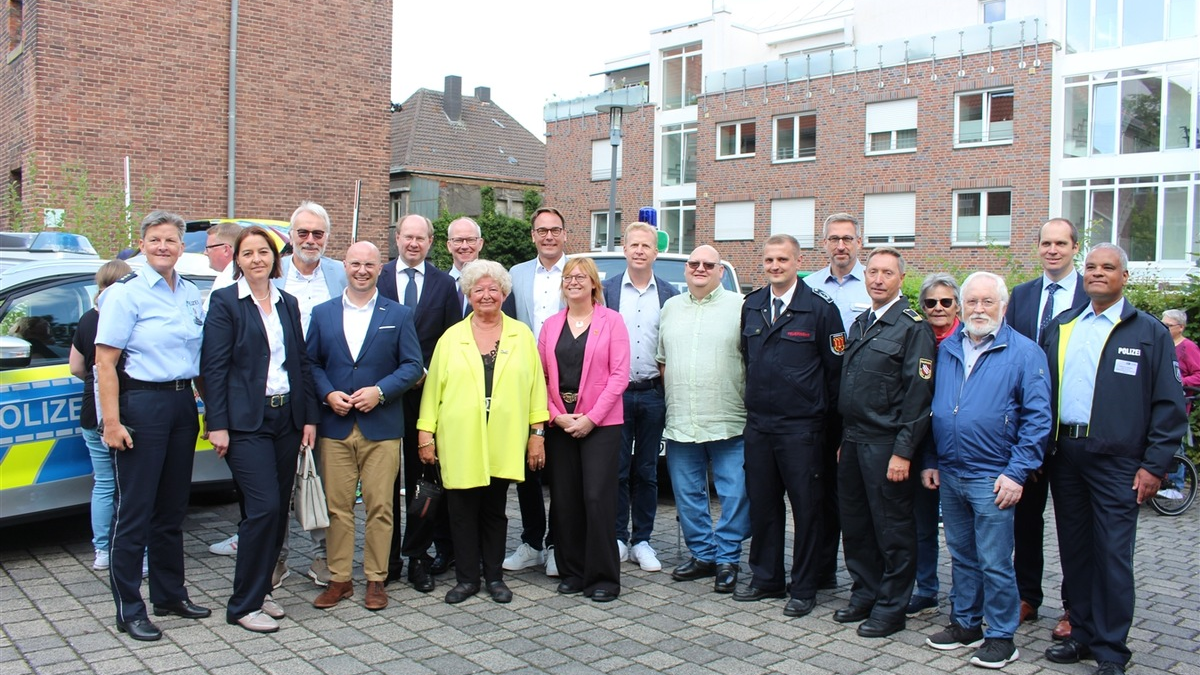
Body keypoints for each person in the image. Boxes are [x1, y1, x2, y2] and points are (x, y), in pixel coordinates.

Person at [1042, 244, 1186, 675]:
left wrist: (1155, 464)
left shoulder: (1148, 332)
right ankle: (1082, 633)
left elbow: (1169, 405)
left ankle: (1111, 650)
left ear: (1124, 276)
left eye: (1108, 268)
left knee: (1112, 554)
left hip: (1119, 461)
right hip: (1065, 455)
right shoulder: (1063, 325)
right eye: (1091, 267)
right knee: (1076, 551)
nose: (1097, 273)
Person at [922, 272, 1051, 669]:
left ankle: (1000, 636)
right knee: (961, 555)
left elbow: (1038, 420)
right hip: (950, 469)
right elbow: (931, 409)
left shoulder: (1025, 353)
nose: (979, 309)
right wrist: (930, 459)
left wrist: (1016, 472)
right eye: (972, 301)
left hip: (993, 474)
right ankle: (966, 622)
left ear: (1003, 307)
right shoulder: (947, 350)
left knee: (995, 560)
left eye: (987, 302)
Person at [95, 210, 211, 642]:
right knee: (135, 511)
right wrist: (112, 421)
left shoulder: (187, 292)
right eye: (155, 240)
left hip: (182, 403)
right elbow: (104, 362)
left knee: (171, 508)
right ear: (142, 244)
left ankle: (169, 594)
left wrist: (208, 411)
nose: (164, 247)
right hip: (141, 403)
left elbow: (196, 356)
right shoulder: (126, 293)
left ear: (183, 248)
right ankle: (129, 607)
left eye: (171, 241)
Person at [200, 226, 320, 633]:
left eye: (263, 252)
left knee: (277, 511)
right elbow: (212, 369)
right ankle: (242, 605)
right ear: (237, 260)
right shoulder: (224, 303)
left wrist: (308, 418)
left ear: (274, 258)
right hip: (243, 423)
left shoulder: (286, 302)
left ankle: (262, 591)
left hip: (285, 418)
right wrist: (215, 424)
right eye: (247, 253)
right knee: (263, 507)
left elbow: (300, 364)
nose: (256, 259)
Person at [417, 260, 550, 605]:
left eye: (494, 289)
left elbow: (537, 387)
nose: (487, 295)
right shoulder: (452, 337)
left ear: (504, 294)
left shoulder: (521, 335)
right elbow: (433, 392)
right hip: (459, 438)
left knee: (495, 510)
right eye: (479, 289)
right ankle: (466, 579)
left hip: (504, 437)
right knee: (460, 511)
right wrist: (425, 434)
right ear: (468, 294)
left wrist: (537, 432)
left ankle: (494, 577)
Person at [306, 242, 423, 612]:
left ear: (379, 268)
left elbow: (411, 366)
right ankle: (339, 579)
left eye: (369, 264)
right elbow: (310, 364)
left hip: (381, 425)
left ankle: (376, 579)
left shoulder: (398, 314)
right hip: (336, 424)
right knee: (337, 508)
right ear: (345, 265)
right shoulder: (322, 313)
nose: (361, 270)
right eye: (355, 263)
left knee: (380, 506)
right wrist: (327, 395)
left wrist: (380, 391)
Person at [737, 234, 844, 618]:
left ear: (798, 261)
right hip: (760, 426)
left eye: (783, 259)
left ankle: (805, 585)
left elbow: (835, 375)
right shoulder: (751, 306)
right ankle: (766, 578)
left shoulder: (819, 308)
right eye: (769, 260)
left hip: (803, 428)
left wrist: (832, 432)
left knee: (807, 509)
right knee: (763, 505)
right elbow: (747, 359)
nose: (775, 266)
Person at [835, 246, 935, 639]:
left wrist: (903, 452)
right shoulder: (861, 322)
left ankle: (892, 609)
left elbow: (918, 398)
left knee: (892, 530)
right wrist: (845, 439)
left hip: (886, 445)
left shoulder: (913, 327)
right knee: (856, 526)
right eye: (873, 272)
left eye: (886, 273)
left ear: (900, 279)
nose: (877, 279)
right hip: (854, 441)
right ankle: (865, 594)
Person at [1004, 217, 1087, 637]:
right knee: (1025, 519)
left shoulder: (1092, 296)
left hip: (1071, 430)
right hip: (1026, 430)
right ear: (1037, 247)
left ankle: (1074, 608)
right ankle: (1026, 596)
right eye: (1046, 243)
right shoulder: (1021, 296)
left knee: (1073, 523)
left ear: (1075, 247)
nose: (1053, 250)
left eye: (1061, 243)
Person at [377, 214, 460, 593]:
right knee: (384, 480)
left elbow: (449, 341)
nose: (413, 243)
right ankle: (387, 557)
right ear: (397, 238)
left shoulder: (445, 285)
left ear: (430, 242)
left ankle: (417, 556)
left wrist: (429, 375)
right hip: (381, 396)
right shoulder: (376, 278)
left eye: (421, 238)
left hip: (426, 397)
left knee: (424, 479)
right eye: (407, 236)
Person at [659, 245, 749, 593]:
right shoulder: (670, 308)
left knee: (734, 494)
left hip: (729, 416)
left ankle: (728, 558)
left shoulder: (741, 307)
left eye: (708, 265)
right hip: (682, 417)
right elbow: (662, 360)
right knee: (687, 494)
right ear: (686, 270)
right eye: (693, 264)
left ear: (720, 272)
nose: (699, 269)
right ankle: (702, 555)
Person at [539, 258, 630, 601]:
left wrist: (591, 417)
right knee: (565, 499)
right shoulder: (550, 326)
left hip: (602, 424)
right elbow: (541, 378)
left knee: (597, 497)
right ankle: (573, 571)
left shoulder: (612, 321)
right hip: (561, 422)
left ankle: (603, 577)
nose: (573, 282)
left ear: (594, 284)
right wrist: (555, 415)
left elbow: (620, 375)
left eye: (580, 277)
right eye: (568, 277)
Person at [271, 201, 349, 588]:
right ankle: (276, 557)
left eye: (318, 233)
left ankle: (323, 557)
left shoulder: (339, 273)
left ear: (328, 238)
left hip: (327, 392)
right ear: (290, 236)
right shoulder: (270, 271)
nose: (310, 240)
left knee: (325, 479)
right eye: (302, 232)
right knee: (277, 482)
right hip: (279, 391)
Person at [601, 222, 676, 572]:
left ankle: (642, 539)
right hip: (614, 395)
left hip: (651, 394)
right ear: (625, 249)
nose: (640, 251)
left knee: (646, 471)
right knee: (616, 470)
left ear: (655, 252)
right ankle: (617, 536)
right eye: (634, 245)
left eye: (646, 246)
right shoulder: (607, 290)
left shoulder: (670, 293)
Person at [802, 212, 870, 588]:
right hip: (820, 402)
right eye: (833, 239)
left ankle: (864, 576)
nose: (840, 246)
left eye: (847, 239)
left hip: (862, 404)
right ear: (823, 243)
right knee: (819, 489)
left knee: (856, 493)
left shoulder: (873, 283)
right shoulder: (808, 286)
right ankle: (822, 569)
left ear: (859, 243)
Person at [501, 206, 568, 575]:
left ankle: (558, 543)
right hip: (524, 381)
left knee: (560, 469)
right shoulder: (517, 273)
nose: (548, 236)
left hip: (566, 382)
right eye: (541, 230)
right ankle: (531, 540)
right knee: (525, 466)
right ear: (532, 235)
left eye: (554, 230)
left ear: (563, 233)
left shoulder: (576, 271)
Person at [68, 259, 132, 572]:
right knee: (131, 485)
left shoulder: (87, 319)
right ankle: (134, 550)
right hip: (125, 410)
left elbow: (76, 367)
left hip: (91, 413)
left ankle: (102, 550)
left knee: (104, 483)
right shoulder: (130, 314)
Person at [906, 273, 961, 618]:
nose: (938, 308)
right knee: (921, 526)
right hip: (920, 447)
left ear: (957, 305)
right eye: (931, 302)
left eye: (946, 302)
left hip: (959, 449)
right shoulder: (916, 336)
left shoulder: (970, 340)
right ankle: (926, 590)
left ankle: (966, 597)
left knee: (961, 533)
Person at [203, 220, 250, 557]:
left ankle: (252, 542)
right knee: (252, 489)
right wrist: (216, 419)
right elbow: (214, 360)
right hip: (239, 407)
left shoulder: (283, 300)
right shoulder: (224, 292)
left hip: (272, 408)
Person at [446, 217, 485, 318]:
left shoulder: (495, 284)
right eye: (458, 240)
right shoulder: (436, 284)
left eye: (470, 240)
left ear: (480, 244)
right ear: (449, 246)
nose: (464, 246)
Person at [1162, 310, 1200, 388]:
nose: (1164, 328)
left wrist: (1180, 381)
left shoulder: (1188, 347)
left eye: (1168, 325)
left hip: (1179, 396)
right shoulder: (1160, 344)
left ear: (1181, 327)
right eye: (1162, 324)